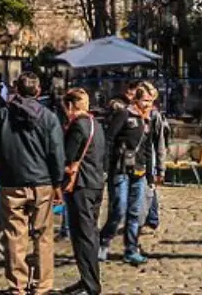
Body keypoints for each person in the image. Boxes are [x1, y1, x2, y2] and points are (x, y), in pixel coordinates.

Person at [0, 72, 66, 295]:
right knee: (43, 236)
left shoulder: (3, 115)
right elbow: (56, 153)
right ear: (38, 91)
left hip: (12, 182)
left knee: (14, 236)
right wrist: (58, 182)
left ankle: (17, 286)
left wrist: (4, 161)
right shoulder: (48, 117)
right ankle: (42, 285)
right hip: (42, 183)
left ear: (16, 90)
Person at [100, 80, 156, 265]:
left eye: (150, 101)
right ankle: (103, 241)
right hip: (120, 169)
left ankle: (131, 249)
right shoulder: (124, 114)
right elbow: (109, 140)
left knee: (135, 212)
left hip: (139, 171)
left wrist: (150, 174)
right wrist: (106, 166)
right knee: (119, 209)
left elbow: (148, 147)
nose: (148, 104)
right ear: (136, 100)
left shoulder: (148, 119)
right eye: (145, 100)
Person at [62, 88, 105, 295]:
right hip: (96, 183)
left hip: (82, 186)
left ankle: (91, 285)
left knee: (83, 236)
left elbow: (68, 156)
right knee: (90, 234)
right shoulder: (95, 123)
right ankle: (87, 279)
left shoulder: (78, 126)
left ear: (70, 106)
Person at [143, 84, 168, 234]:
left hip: (149, 157)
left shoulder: (154, 116)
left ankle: (152, 218)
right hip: (137, 158)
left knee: (149, 189)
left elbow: (160, 143)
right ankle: (146, 218)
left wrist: (161, 168)